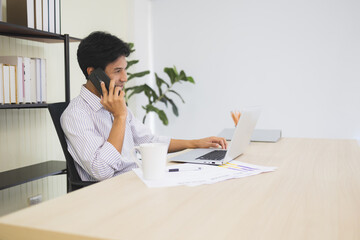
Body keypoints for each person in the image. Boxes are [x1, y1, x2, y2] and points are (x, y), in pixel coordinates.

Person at [60, 31, 227, 181]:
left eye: (125, 70)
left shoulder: (116, 104)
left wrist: (194, 143)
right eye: (117, 71)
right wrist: (119, 117)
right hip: (111, 192)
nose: (124, 78)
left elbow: (148, 141)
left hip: (138, 179)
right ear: (93, 73)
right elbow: (101, 171)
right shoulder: (76, 115)